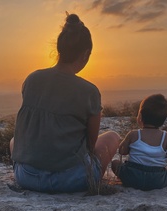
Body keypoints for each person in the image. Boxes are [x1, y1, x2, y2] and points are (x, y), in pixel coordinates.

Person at [10, 13, 121, 193]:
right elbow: (91, 146)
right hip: (71, 180)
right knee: (113, 137)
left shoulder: (31, 79)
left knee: (14, 141)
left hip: (26, 177)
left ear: (59, 49)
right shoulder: (89, 91)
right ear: (86, 54)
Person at [112, 94, 167, 191]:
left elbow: (122, 151)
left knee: (115, 163)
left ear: (140, 117)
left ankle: (125, 179)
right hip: (156, 180)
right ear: (163, 120)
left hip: (132, 177)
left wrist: (124, 143)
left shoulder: (134, 134)